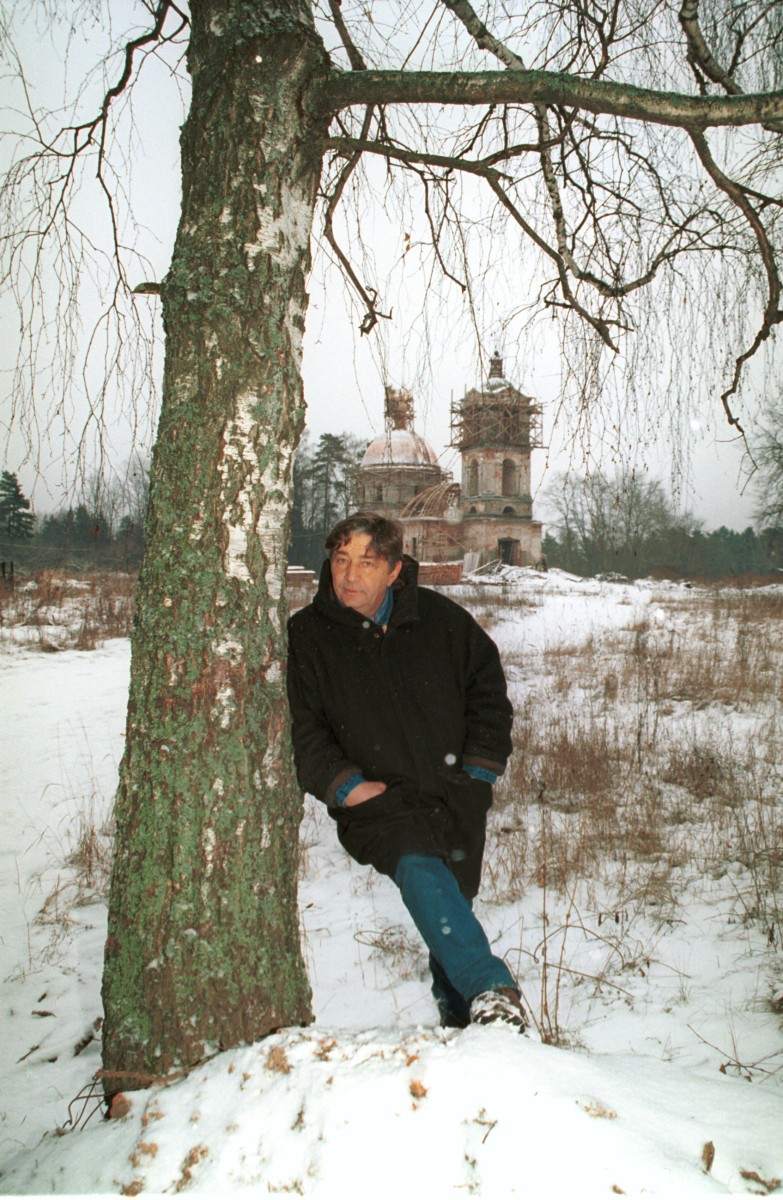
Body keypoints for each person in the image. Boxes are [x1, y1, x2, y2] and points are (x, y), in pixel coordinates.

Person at [286, 511, 527, 1031]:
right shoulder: (307, 636)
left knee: (450, 903)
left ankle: (466, 1027)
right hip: (380, 801)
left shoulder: (440, 621)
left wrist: (478, 773)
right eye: (341, 560)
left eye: (367, 563)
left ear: (395, 570)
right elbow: (303, 728)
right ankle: (492, 988)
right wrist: (346, 787)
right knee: (420, 869)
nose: (350, 576)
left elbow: (488, 694)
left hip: (455, 791)